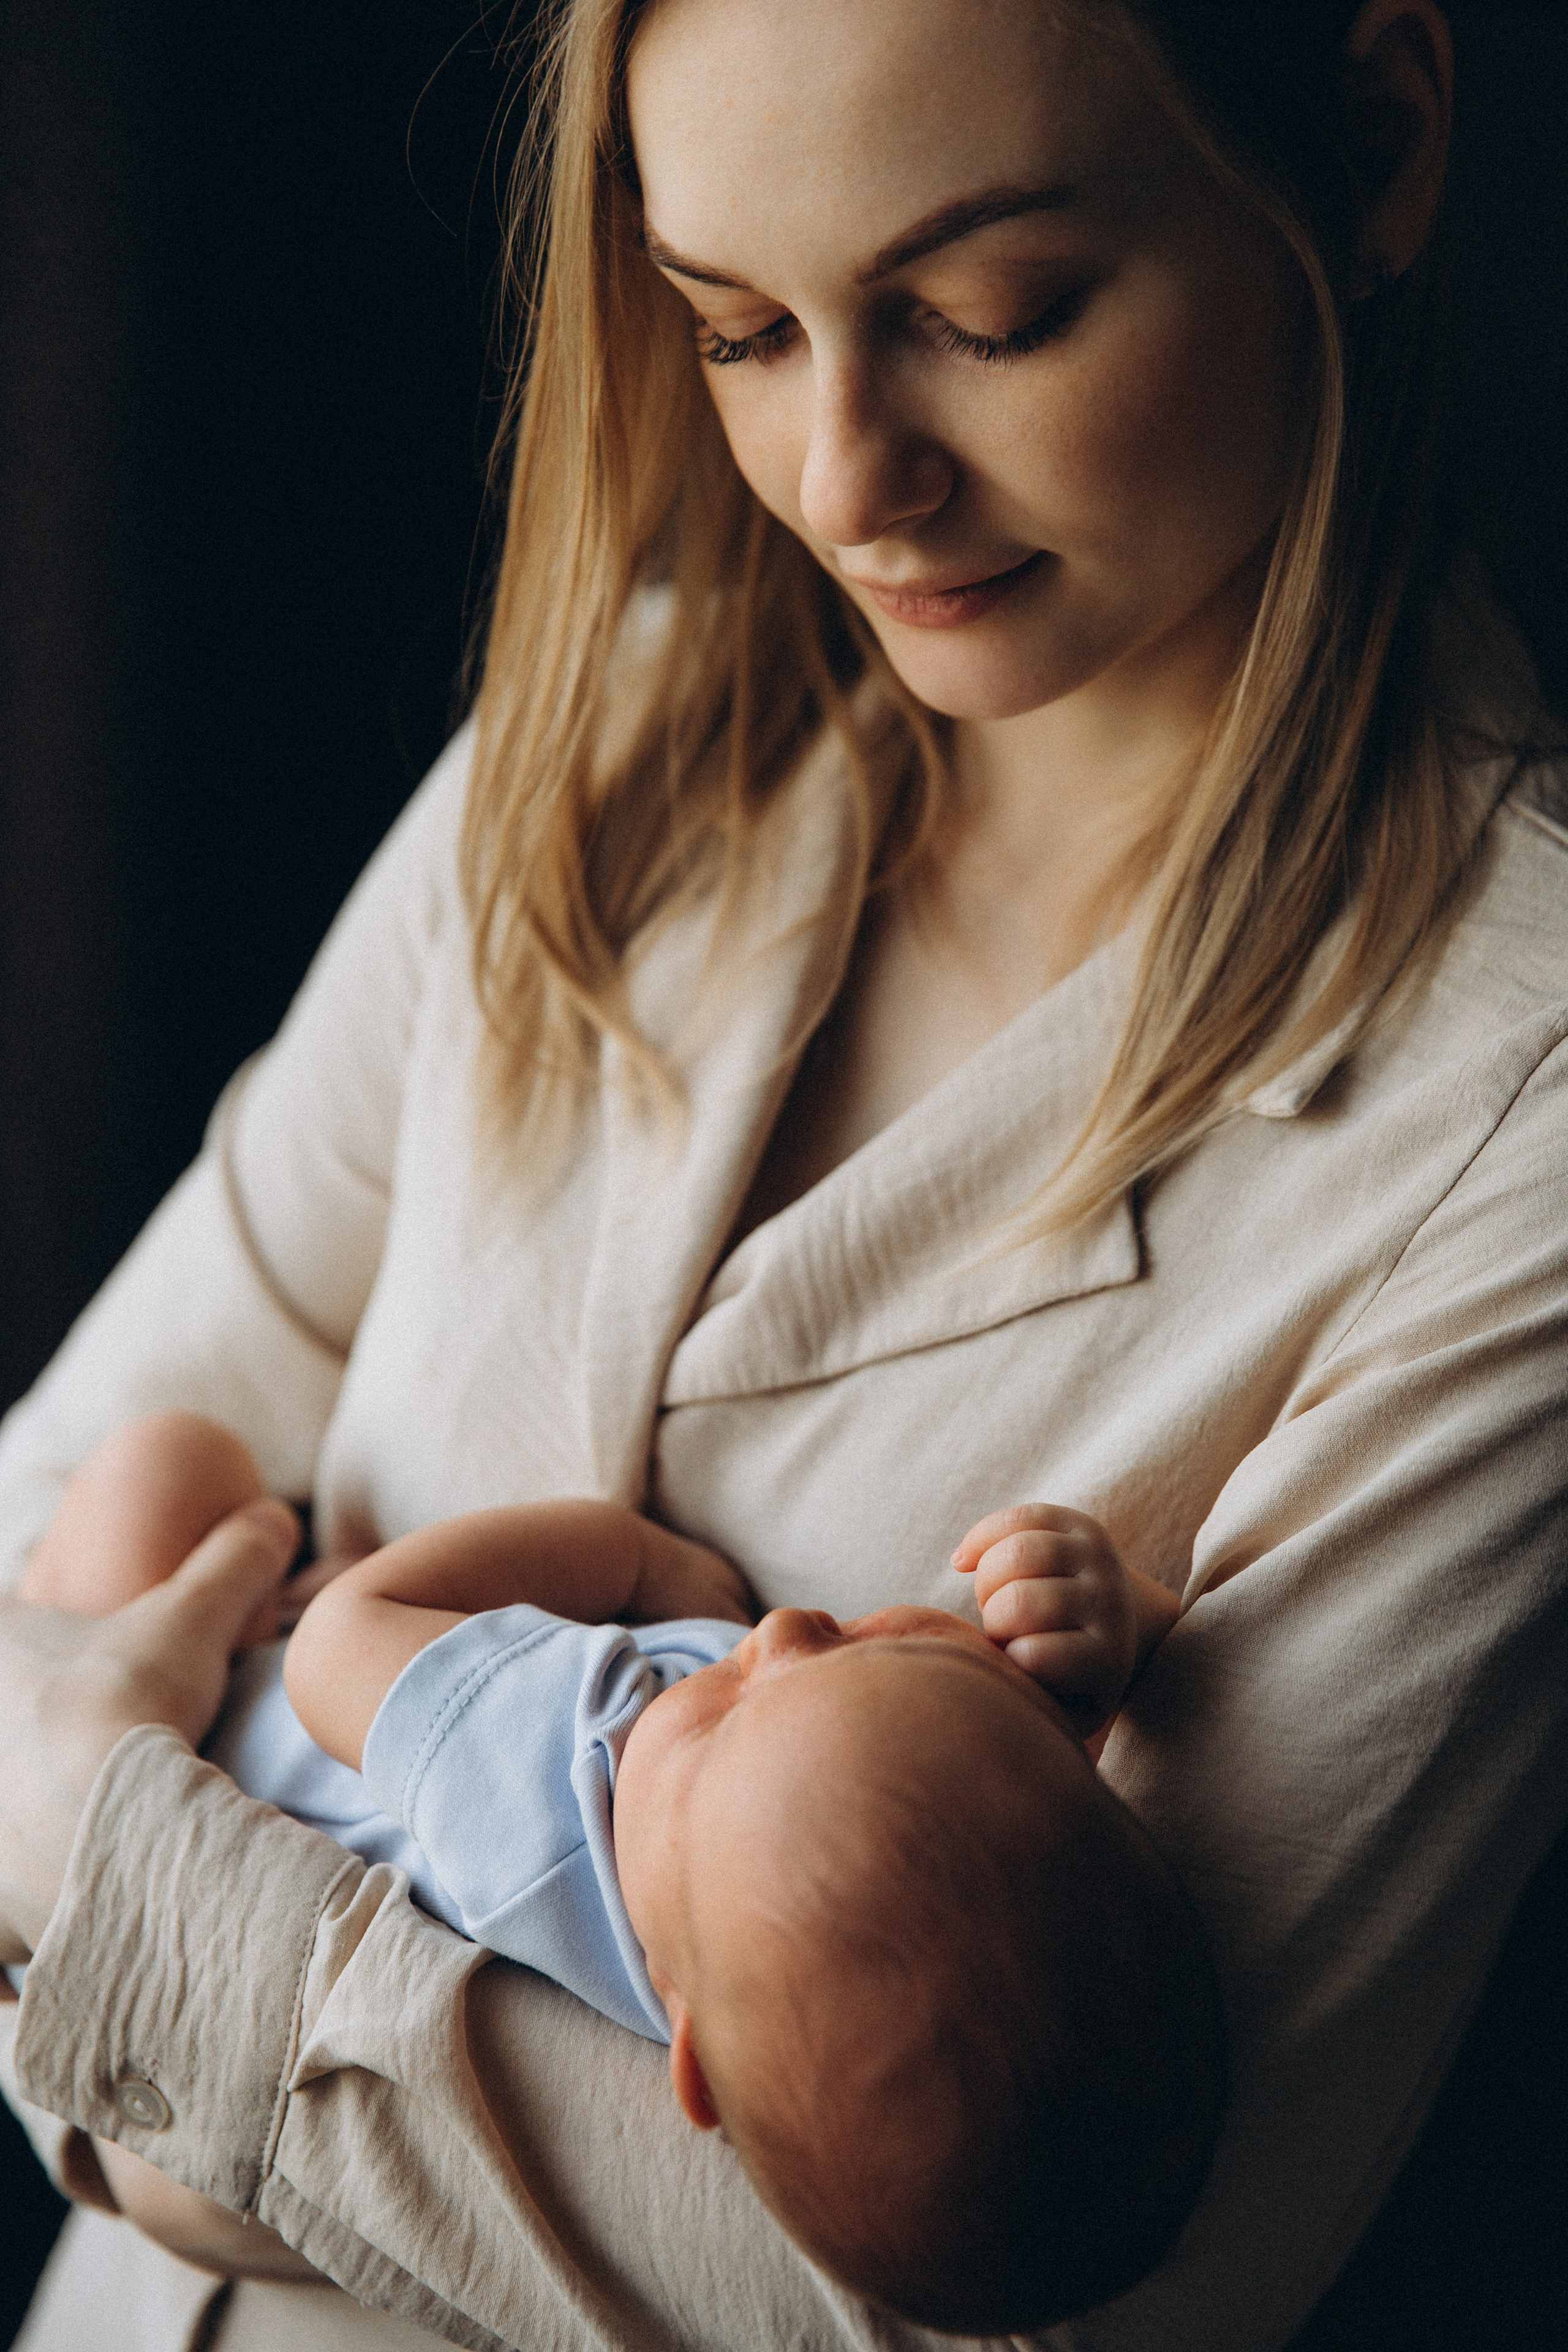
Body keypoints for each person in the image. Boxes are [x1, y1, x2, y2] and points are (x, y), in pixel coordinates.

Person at [1, 0, 1566, 2347]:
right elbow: (40, 1511)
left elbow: (1037, 2307)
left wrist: (105, 1916)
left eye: (986, 312)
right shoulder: (619, 743)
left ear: (1370, 139)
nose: (845, 477)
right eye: (733, 326)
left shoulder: (1514, 1105)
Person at [20, 1411, 1212, 2331]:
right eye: (877, 1651)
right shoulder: (775, 1956)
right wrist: (1115, 1635)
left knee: (165, 1465)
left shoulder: (557, 1786)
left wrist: (631, 1560)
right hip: (198, 1919)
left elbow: (349, 1631)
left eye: (719, 1709)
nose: (786, 1631)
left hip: (200, 1724)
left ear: (687, 2048)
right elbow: (993, 1800)